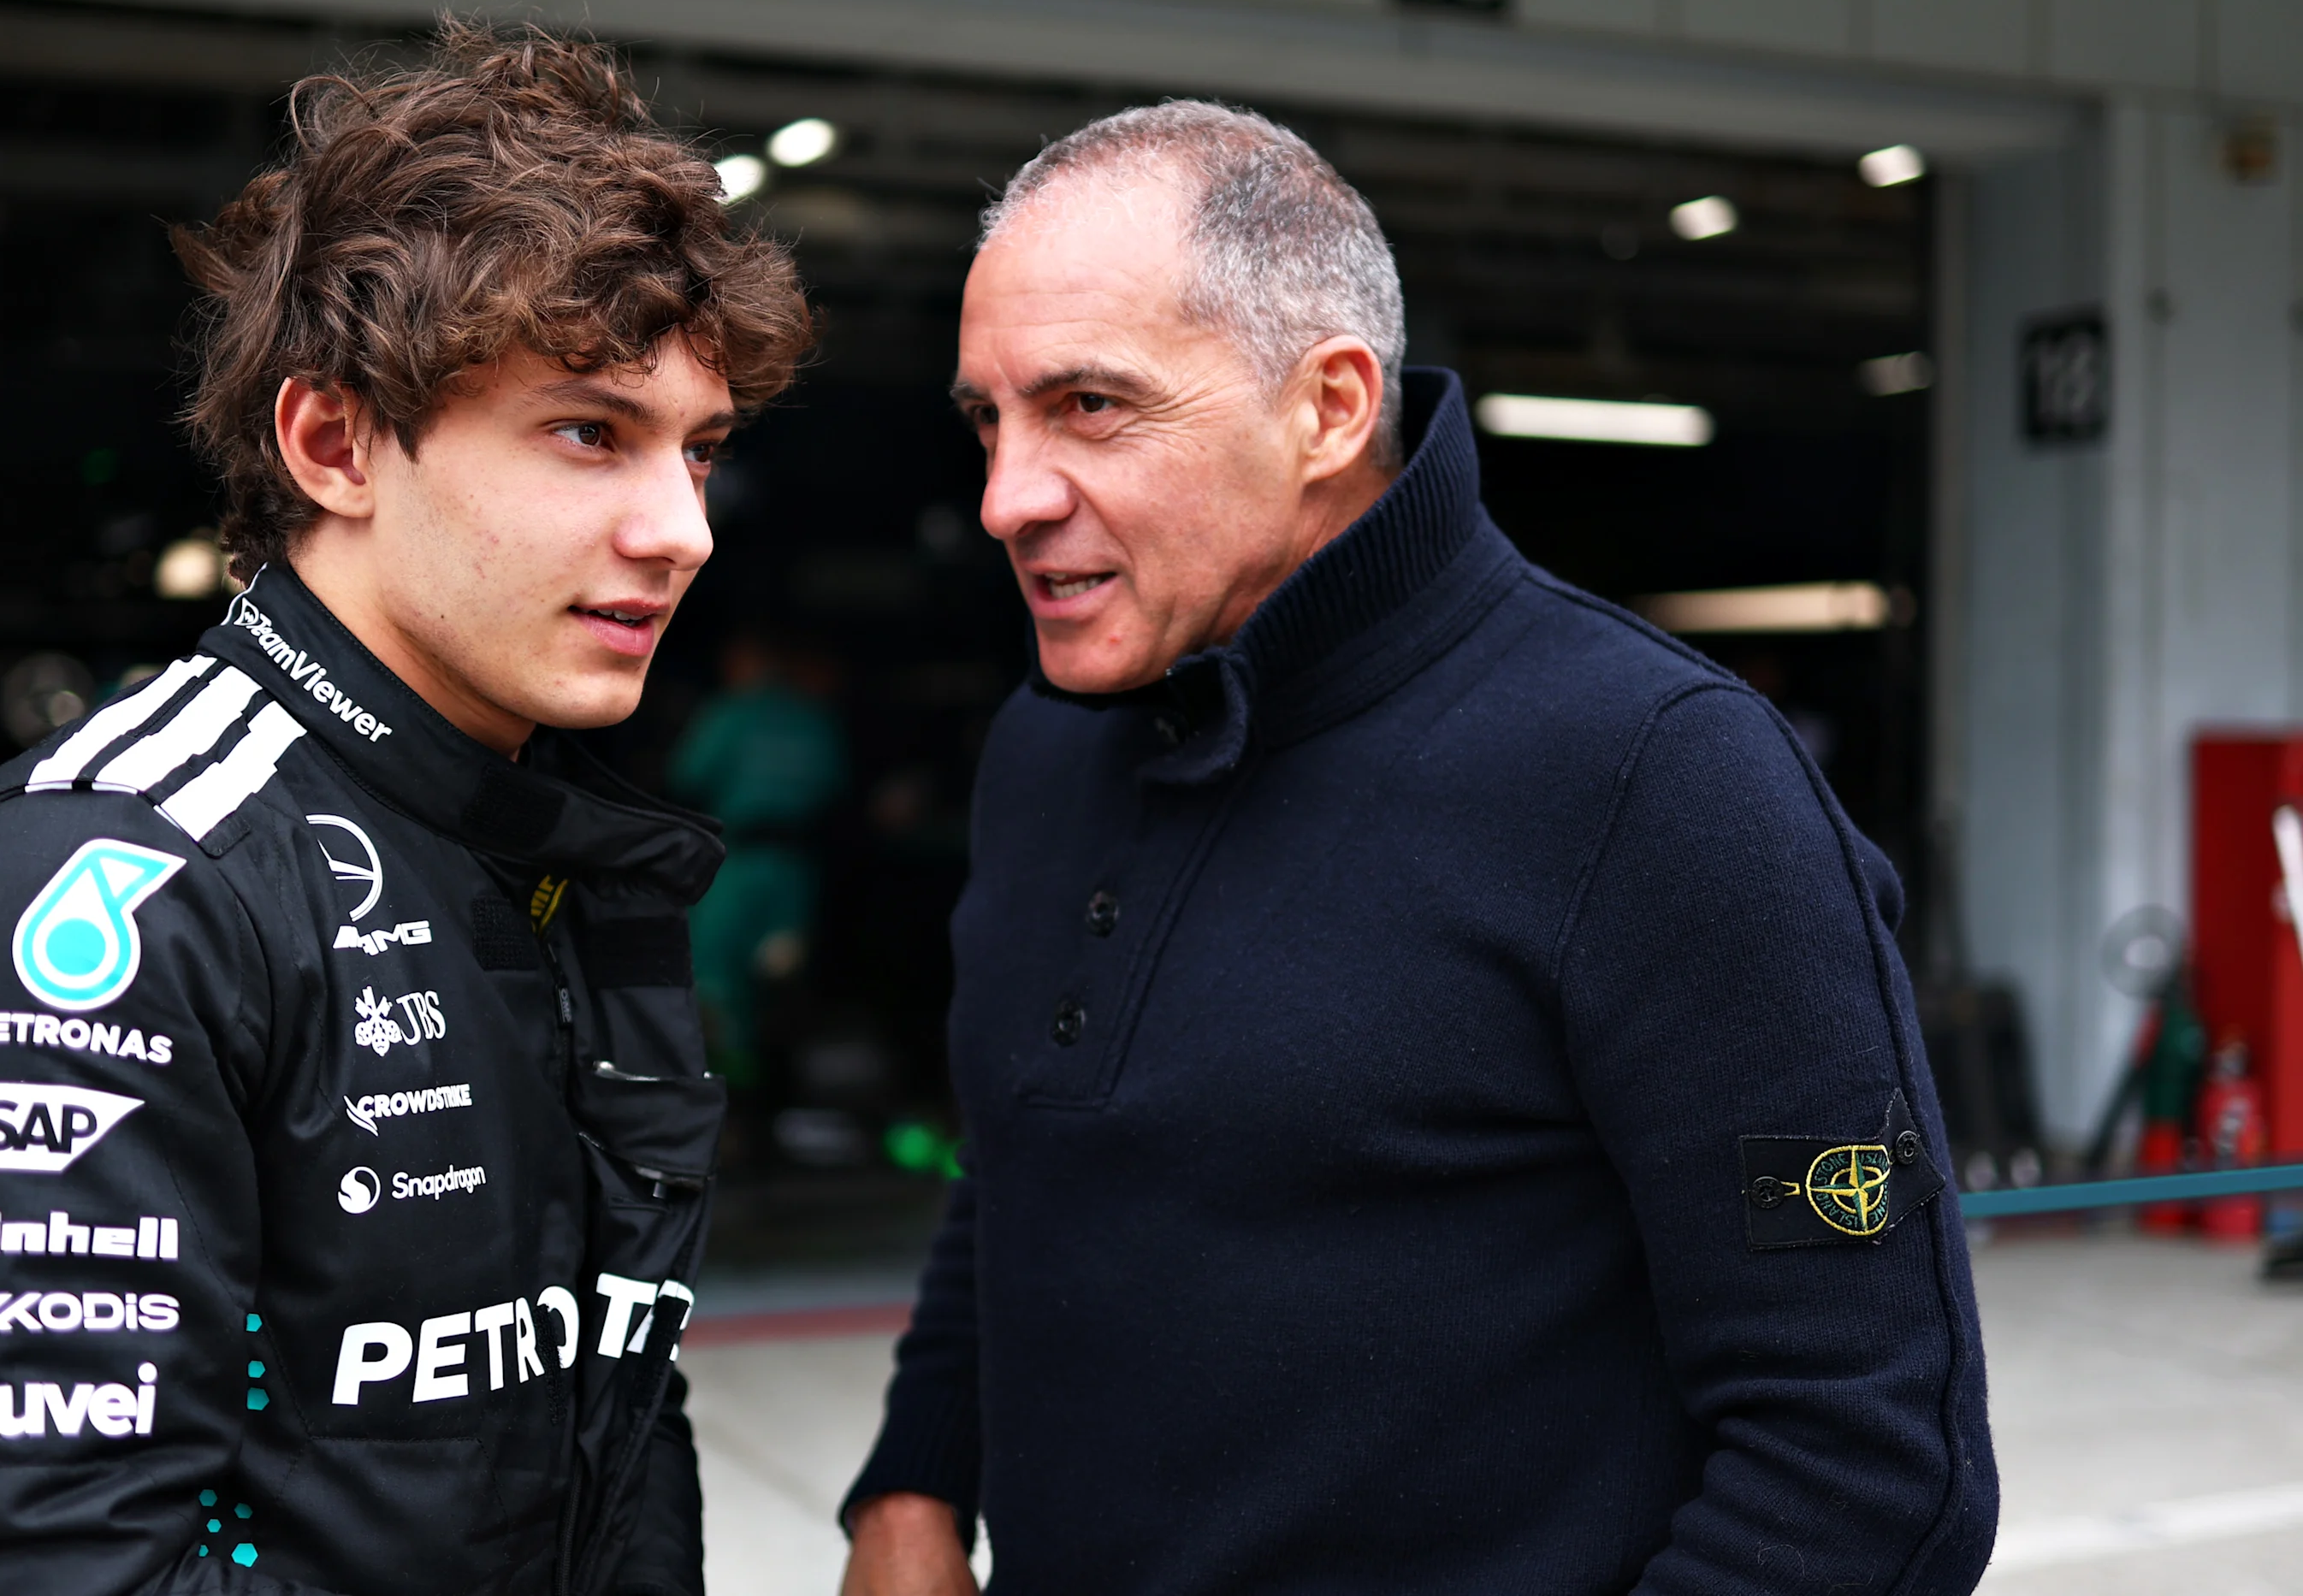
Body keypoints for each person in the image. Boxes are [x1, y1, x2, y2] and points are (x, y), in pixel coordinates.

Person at [839, 103, 1996, 1593]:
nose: (1006, 495)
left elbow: (1871, 1464)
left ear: (1326, 408)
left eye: (1089, 407)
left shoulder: (1659, 779)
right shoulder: (1046, 742)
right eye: (986, 418)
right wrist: (915, 1483)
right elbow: (1032, 1151)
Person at [0, 20, 812, 1596]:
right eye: (588, 431)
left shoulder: (558, 854)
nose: (680, 526)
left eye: (698, 450)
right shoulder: (105, 890)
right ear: (333, 439)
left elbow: (613, 1419)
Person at [669, 632, 849, 1089]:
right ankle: (782, 1094)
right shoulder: (813, 718)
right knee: (783, 979)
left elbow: (687, 775)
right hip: (794, 870)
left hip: (739, 864)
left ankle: (732, 1098)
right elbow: (835, 786)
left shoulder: (732, 712)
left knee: (716, 983)